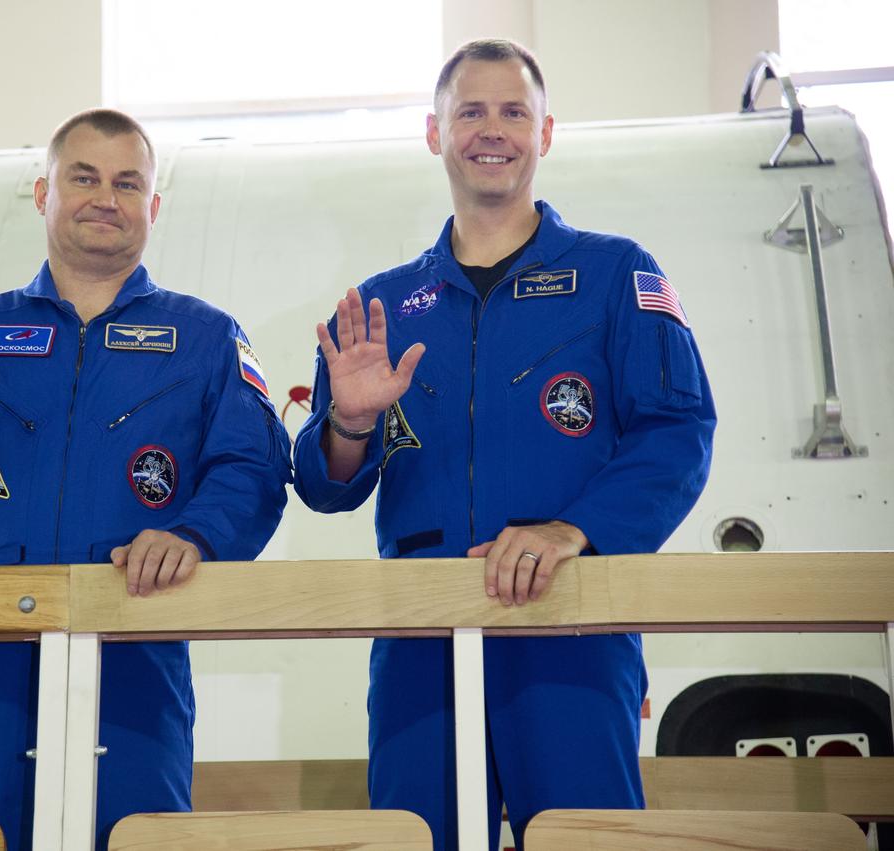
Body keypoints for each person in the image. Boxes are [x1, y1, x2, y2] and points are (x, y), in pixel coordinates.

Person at [293, 39, 716, 850]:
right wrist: (348, 421)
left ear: (545, 132)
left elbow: (678, 430)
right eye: (471, 112)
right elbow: (327, 483)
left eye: (513, 112)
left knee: (584, 837)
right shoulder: (382, 307)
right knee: (418, 836)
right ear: (434, 133)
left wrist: (571, 531)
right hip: (419, 625)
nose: (493, 130)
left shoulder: (615, 274)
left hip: (570, 622)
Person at [0, 109, 292, 851]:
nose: (104, 197)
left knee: (130, 838)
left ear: (152, 206)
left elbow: (256, 467)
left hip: (136, 644)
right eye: (83, 177)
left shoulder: (207, 337)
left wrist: (194, 534)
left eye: (127, 183)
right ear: (43, 193)